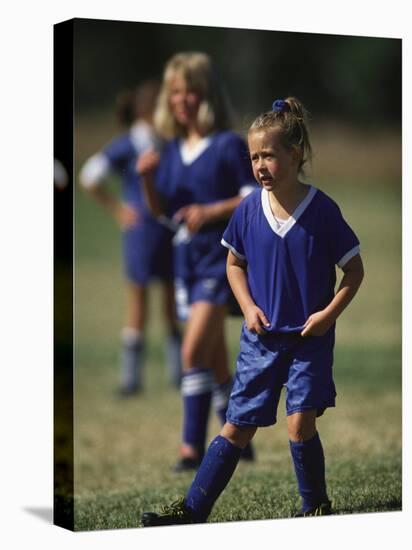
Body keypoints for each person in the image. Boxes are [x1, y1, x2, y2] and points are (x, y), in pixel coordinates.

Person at [140, 96, 364, 525]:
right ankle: (191, 510)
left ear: (295, 154)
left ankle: (315, 508)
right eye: (254, 156)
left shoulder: (323, 211)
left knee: (299, 426)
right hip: (260, 339)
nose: (260, 165)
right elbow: (233, 263)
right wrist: (246, 307)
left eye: (269, 155)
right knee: (237, 426)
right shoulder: (246, 209)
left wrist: (328, 315)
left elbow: (354, 270)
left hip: (308, 340)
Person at [137, 52, 256, 471]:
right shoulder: (169, 150)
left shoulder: (227, 144)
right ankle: (237, 435)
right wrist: (148, 179)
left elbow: (251, 197)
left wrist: (209, 211)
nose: (182, 99)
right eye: (175, 92)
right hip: (186, 261)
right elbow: (162, 212)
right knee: (213, 354)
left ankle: (190, 449)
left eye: (189, 91)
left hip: (223, 261)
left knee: (192, 352)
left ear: (205, 94)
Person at [79, 80, 182, 395]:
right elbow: (89, 176)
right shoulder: (127, 144)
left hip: (168, 230)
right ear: (148, 111)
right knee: (139, 302)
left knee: (170, 302)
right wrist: (117, 210)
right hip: (141, 233)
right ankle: (131, 378)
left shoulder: (169, 143)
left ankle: (179, 373)